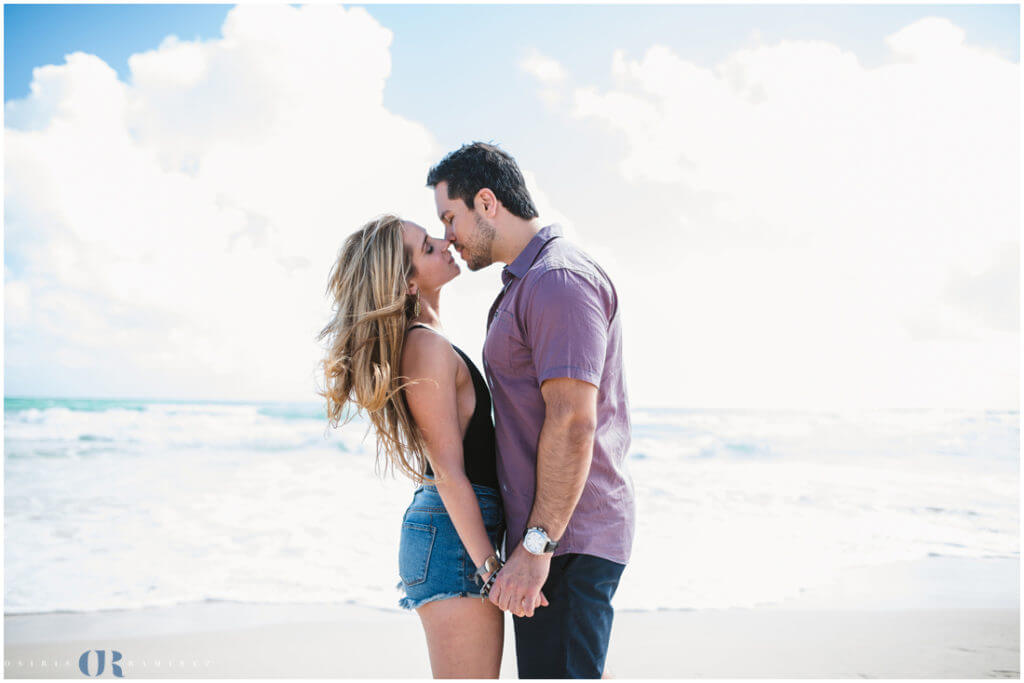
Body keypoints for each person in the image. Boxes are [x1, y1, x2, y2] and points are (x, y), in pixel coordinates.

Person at [427, 142, 636, 679]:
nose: (448, 235)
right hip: (548, 540)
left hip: (563, 541)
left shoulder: (557, 280)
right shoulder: (532, 281)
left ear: (488, 202)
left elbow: (573, 421)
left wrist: (537, 547)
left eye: (451, 217)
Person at [318, 214, 546, 678]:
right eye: (427, 247)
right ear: (406, 283)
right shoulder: (424, 348)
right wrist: (489, 568)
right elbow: (447, 471)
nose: (445, 244)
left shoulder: (429, 342)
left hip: (454, 530)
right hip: (455, 536)